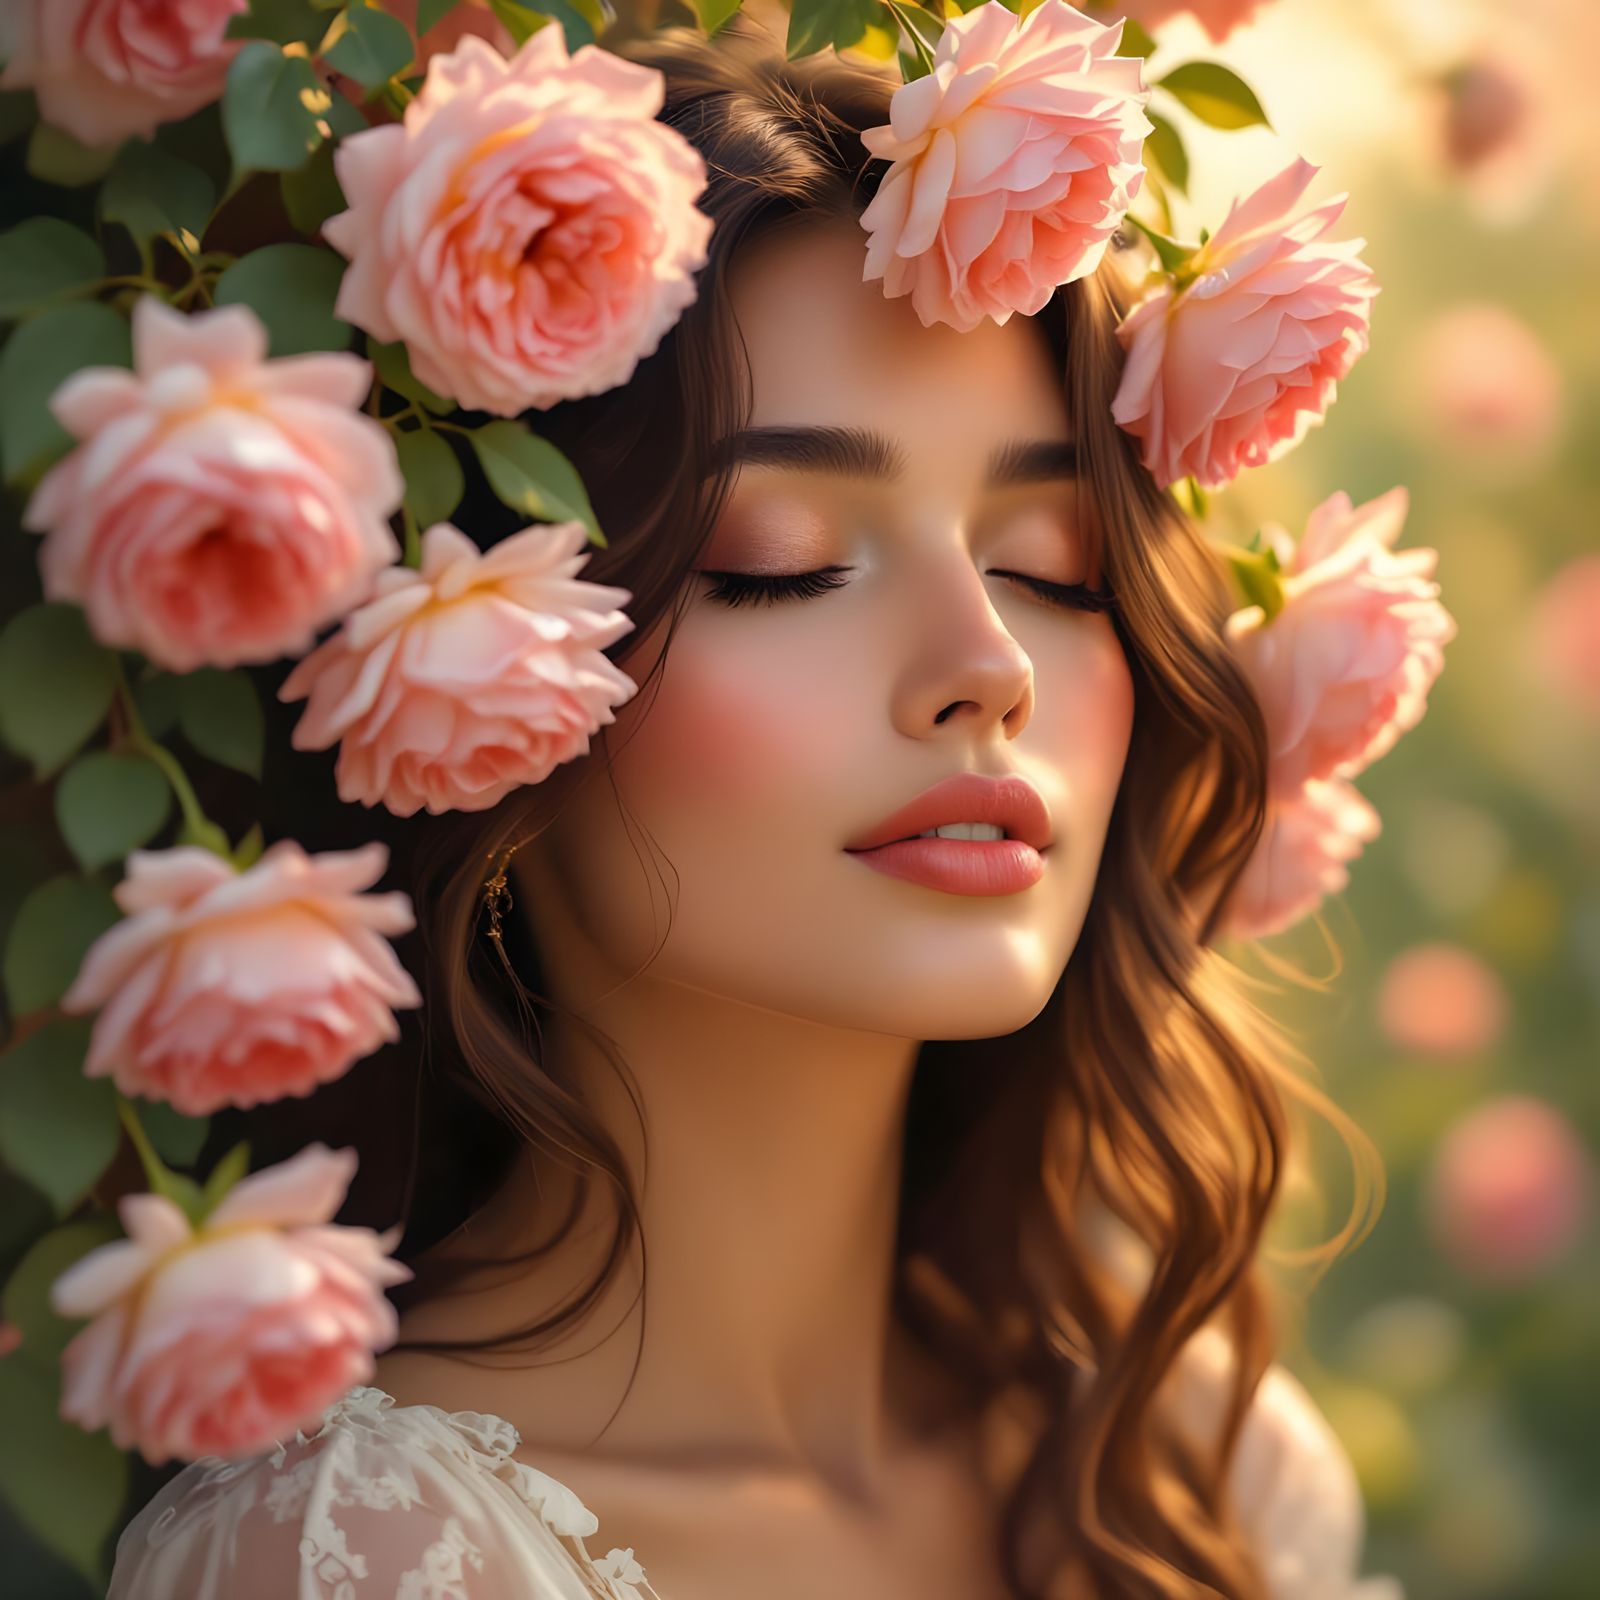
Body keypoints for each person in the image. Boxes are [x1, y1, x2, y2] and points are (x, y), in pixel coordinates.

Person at [104, 12, 1397, 1599]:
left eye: (1054, 568)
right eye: (781, 561)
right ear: (481, 717)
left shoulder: (1197, 1459)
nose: (985, 664)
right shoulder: (360, 1560)